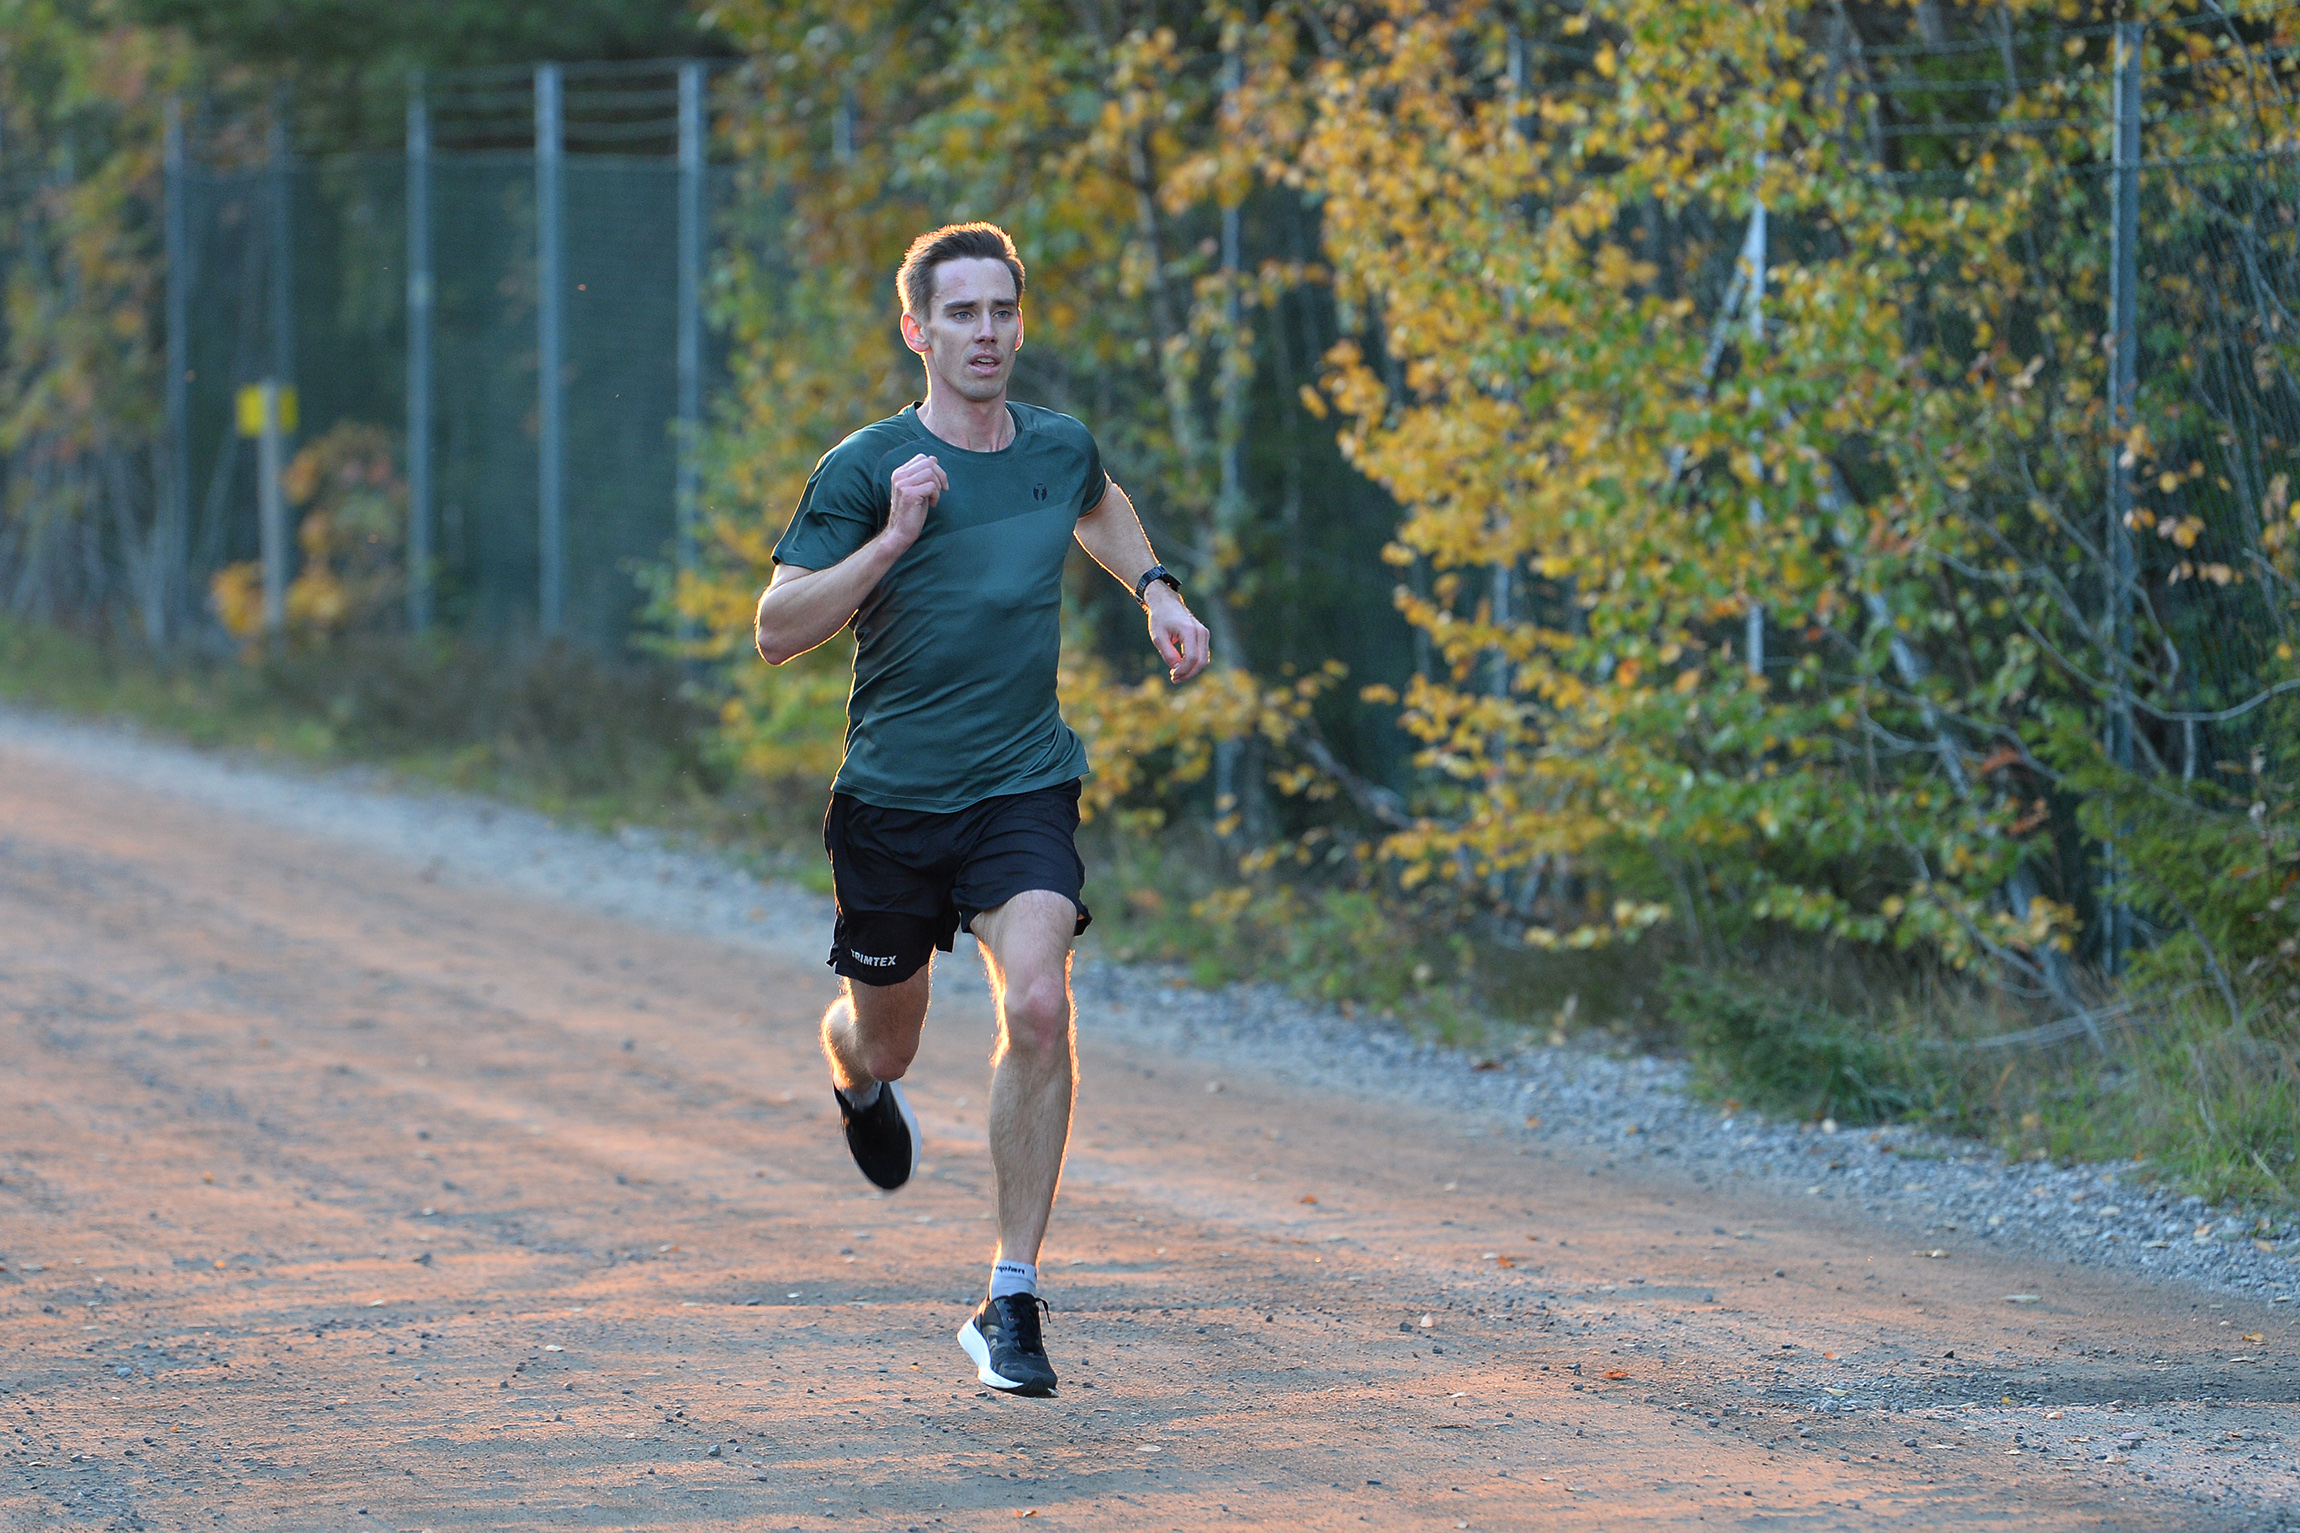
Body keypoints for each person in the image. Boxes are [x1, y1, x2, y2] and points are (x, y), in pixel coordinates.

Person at [753, 222, 1211, 1397]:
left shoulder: (1056, 446)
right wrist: (895, 539)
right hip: (893, 804)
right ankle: (854, 1072)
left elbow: (1097, 504)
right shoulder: (866, 468)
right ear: (916, 331)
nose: (986, 332)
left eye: (1001, 310)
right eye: (960, 313)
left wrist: (1154, 588)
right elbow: (778, 629)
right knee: (888, 1031)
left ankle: (1010, 1299)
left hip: (1020, 781)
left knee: (1043, 1003)